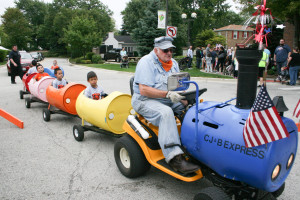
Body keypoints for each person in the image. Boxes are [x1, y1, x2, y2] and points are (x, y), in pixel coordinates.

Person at [132, 36, 200, 174]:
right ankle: (174, 158)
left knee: (192, 109)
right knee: (166, 113)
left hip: (166, 99)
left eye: (171, 50)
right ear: (156, 50)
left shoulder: (173, 63)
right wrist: (167, 94)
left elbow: (178, 86)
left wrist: (184, 98)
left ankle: (191, 147)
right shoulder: (146, 62)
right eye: (165, 50)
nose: (169, 53)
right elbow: (144, 90)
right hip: (144, 100)